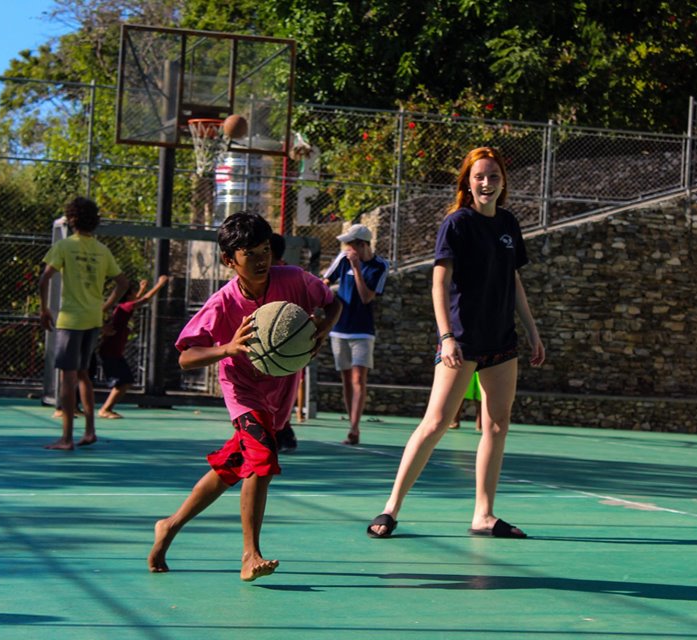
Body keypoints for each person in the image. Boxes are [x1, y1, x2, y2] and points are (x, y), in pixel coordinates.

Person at [147, 212, 341, 581]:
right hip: (243, 392)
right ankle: (250, 554)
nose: (261, 259)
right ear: (228, 260)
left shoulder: (295, 280)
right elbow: (186, 357)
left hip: (280, 392)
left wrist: (321, 332)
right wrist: (228, 348)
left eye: (265, 250)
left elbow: (334, 303)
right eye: (250, 253)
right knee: (262, 459)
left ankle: (169, 526)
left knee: (229, 469)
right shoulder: (222, 304)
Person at [366, 147, 545, 539]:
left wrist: (532, 330)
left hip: (501, 339)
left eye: (494, 176)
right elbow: (439, 282)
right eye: (479, 176)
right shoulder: (457, 224)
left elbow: (513, 281)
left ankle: (483, 514)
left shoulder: (509, 224)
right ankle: (390, 508)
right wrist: (446, 337)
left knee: (497, 425)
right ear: (467, 181)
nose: (486, 183)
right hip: (462, 340)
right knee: (436, 423)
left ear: (503, 183)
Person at [39, 196, 130, 450]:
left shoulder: (66, 246)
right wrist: (105, 305)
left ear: (71, 219)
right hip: (92, 319)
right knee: (83, 375)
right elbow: (123, 283)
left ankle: (66, 437)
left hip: (71, 319)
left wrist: (44, 309)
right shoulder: (102, 250)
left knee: (67, 378)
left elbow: (44, 279)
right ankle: (89, 431)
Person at [322, 223, 389, 445]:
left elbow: (367, 297)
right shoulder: (342, 259)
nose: (347, 248)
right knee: (346, 379)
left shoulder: (380, 266)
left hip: (363, 331)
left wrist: (358, 269)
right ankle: (351, 424)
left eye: (350, 244)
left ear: (362, 245)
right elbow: (325, 282)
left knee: (359, 378)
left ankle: (354, 428)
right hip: (339, 329)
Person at [97, 275, 170, 419]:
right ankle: (105, 409)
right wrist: (159, 285)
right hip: (110, 352)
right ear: (128, 295)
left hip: (113, 352)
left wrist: (142, 289)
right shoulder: (125, 307)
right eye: (133, 292)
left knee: (125, 381)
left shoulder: (122, 308)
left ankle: (106, 408)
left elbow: (135, 300)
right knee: (123, 382)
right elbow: (143, 301)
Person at [269, 233, 300, 452]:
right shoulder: (294, 274)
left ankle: (281, 432)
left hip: (286, 343)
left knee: (278, 392)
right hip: (280, 343)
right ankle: (283, 432)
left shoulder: (287, 276)